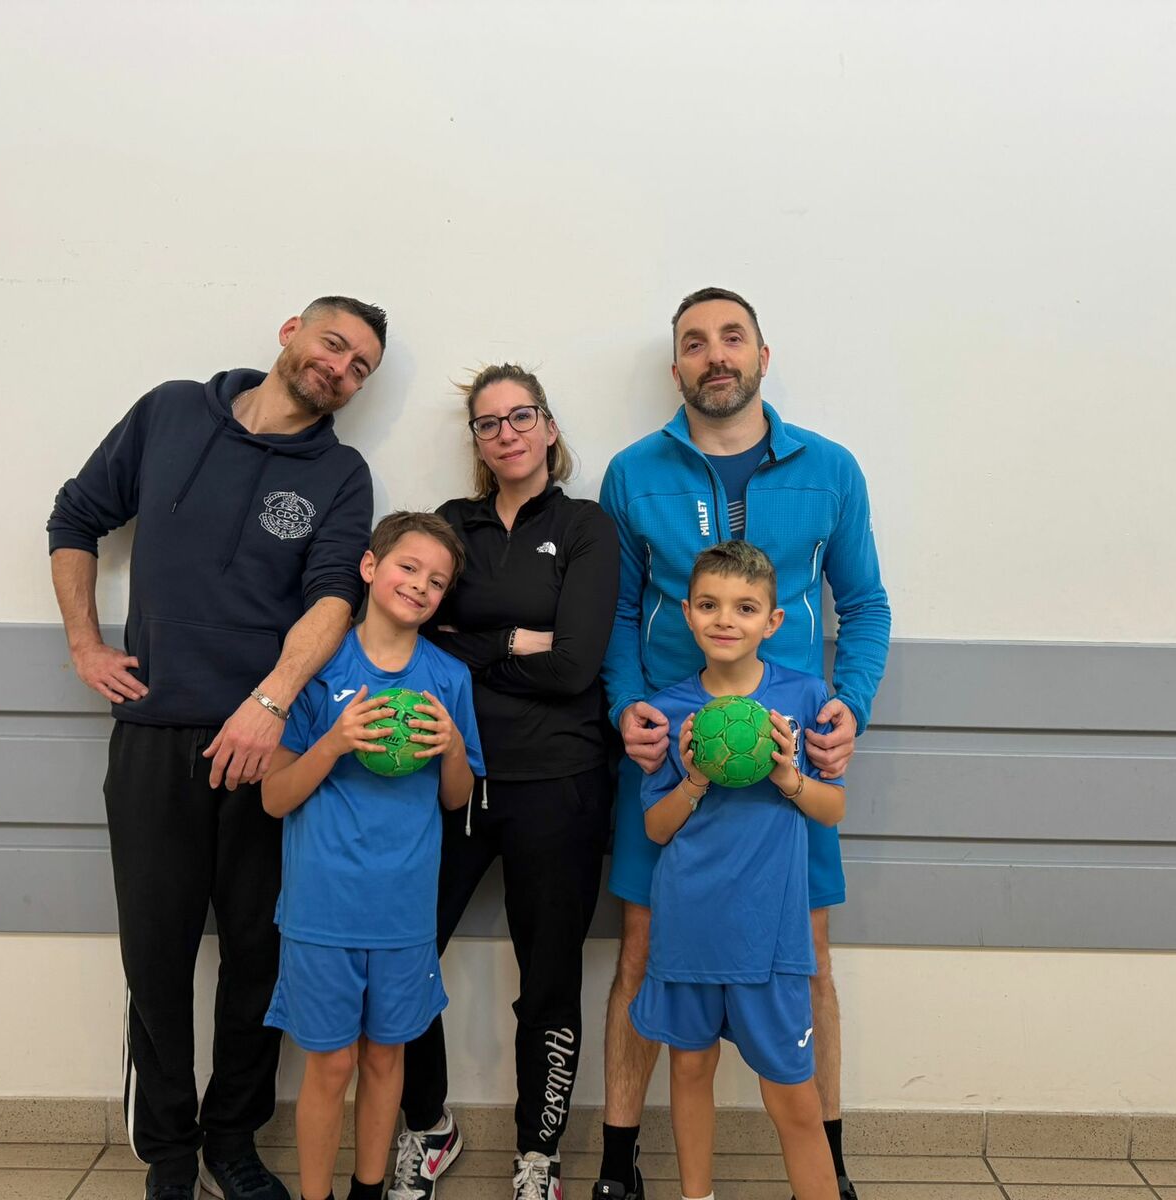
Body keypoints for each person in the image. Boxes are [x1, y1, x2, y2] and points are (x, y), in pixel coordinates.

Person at [46, 295, 388, 1200]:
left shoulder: (341, 474)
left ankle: (232, 1141)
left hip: (269, 748)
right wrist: (84, 643)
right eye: (334, 344)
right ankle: (167, 1151)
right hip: (153, 738)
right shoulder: (169, 412)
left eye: (361, 367)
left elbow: (333, 598)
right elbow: (75, 518)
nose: (341, 368)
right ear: (290, 333)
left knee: (259, 954)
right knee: (155, 955)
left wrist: (269, 704)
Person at [595, 287, 891, 1199]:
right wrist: (628, 709)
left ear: (763, 356)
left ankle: (828, 1164)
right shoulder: (632, 472)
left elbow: (866, 606)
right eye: (695, 342)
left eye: (732, 338)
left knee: (810, 957)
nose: (715, 354)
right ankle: (617, 1167)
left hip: (790, 762)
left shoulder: (831, 469)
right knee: (641, 949)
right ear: (675, 366)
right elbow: (614, 612)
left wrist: (847, 710)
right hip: (669, 752)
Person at [393, 365, 620, 1200]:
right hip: (449, 777)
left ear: (549, 427)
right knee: (403, 957)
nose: (507, 433)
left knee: (548, 981)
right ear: (478, 443)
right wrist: (519, 639)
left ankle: (538, 1156)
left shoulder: (587, 526)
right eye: (488, 423)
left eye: (521, 416)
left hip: (560, 783)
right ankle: (429, 1127)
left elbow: (575, 668)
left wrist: (476, 644)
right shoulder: (453, 525)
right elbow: (420, 633)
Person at [261, 510, 485, 1200]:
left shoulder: (448, 678)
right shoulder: (317, 670)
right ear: (369, 567)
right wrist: (334, 742)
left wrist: (452, 746)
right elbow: (273, 797)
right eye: (407, 567)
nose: (420, 585)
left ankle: (368, 1189)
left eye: (436, 581)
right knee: (331, 1066)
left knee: (386, 1060)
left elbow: (457, 798)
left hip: (404, 911)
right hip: (321, 908)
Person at [635, 540, 844, 1200]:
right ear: (687, 614)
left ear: (773, 621)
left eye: (745, 607)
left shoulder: (804, 696)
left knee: (794, 1099)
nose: (725, 619)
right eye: (709, 605)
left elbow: (832, 809)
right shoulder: (668, 709)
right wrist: (694, 780)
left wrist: (788, 778)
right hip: (689, 927)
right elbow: (656, 828)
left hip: (770, 935)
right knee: (690, 1072)